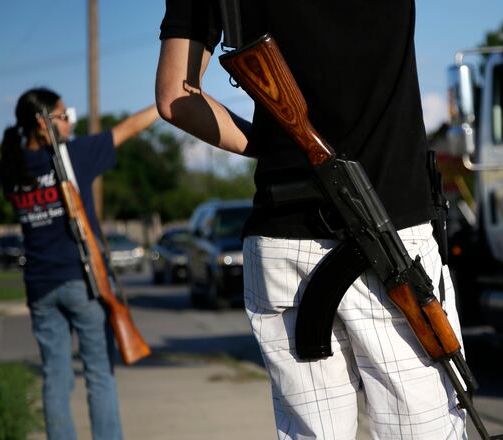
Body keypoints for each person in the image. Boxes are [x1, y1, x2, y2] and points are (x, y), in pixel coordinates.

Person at [155, 1, 466, 439]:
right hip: (396, 234)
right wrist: (309, 143)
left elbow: (175, 98)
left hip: (283, 243)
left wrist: (284, 147)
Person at [0, 88, 159, 440]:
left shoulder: (10, 166)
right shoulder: (75, 156)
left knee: (55, 376)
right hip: (82, 281)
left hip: (39, 286)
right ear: (43, 124)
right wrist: (171, 100)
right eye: (63, 115)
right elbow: (129, 128)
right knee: (100, 374)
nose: (71, 121)